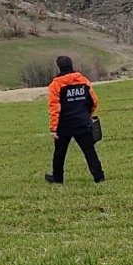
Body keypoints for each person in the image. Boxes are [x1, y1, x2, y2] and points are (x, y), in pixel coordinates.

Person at [45, 55, 105, 184]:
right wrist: (86, 115)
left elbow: (54, 108)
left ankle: (57, 178)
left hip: (64, 125)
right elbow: (94, 101)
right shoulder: (83, 81)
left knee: (59, 153)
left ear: (59, 67)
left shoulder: (56, 85)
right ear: (71, 65)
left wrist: (54, 128)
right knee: (89, 151)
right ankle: (99, 177)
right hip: (82, 122)